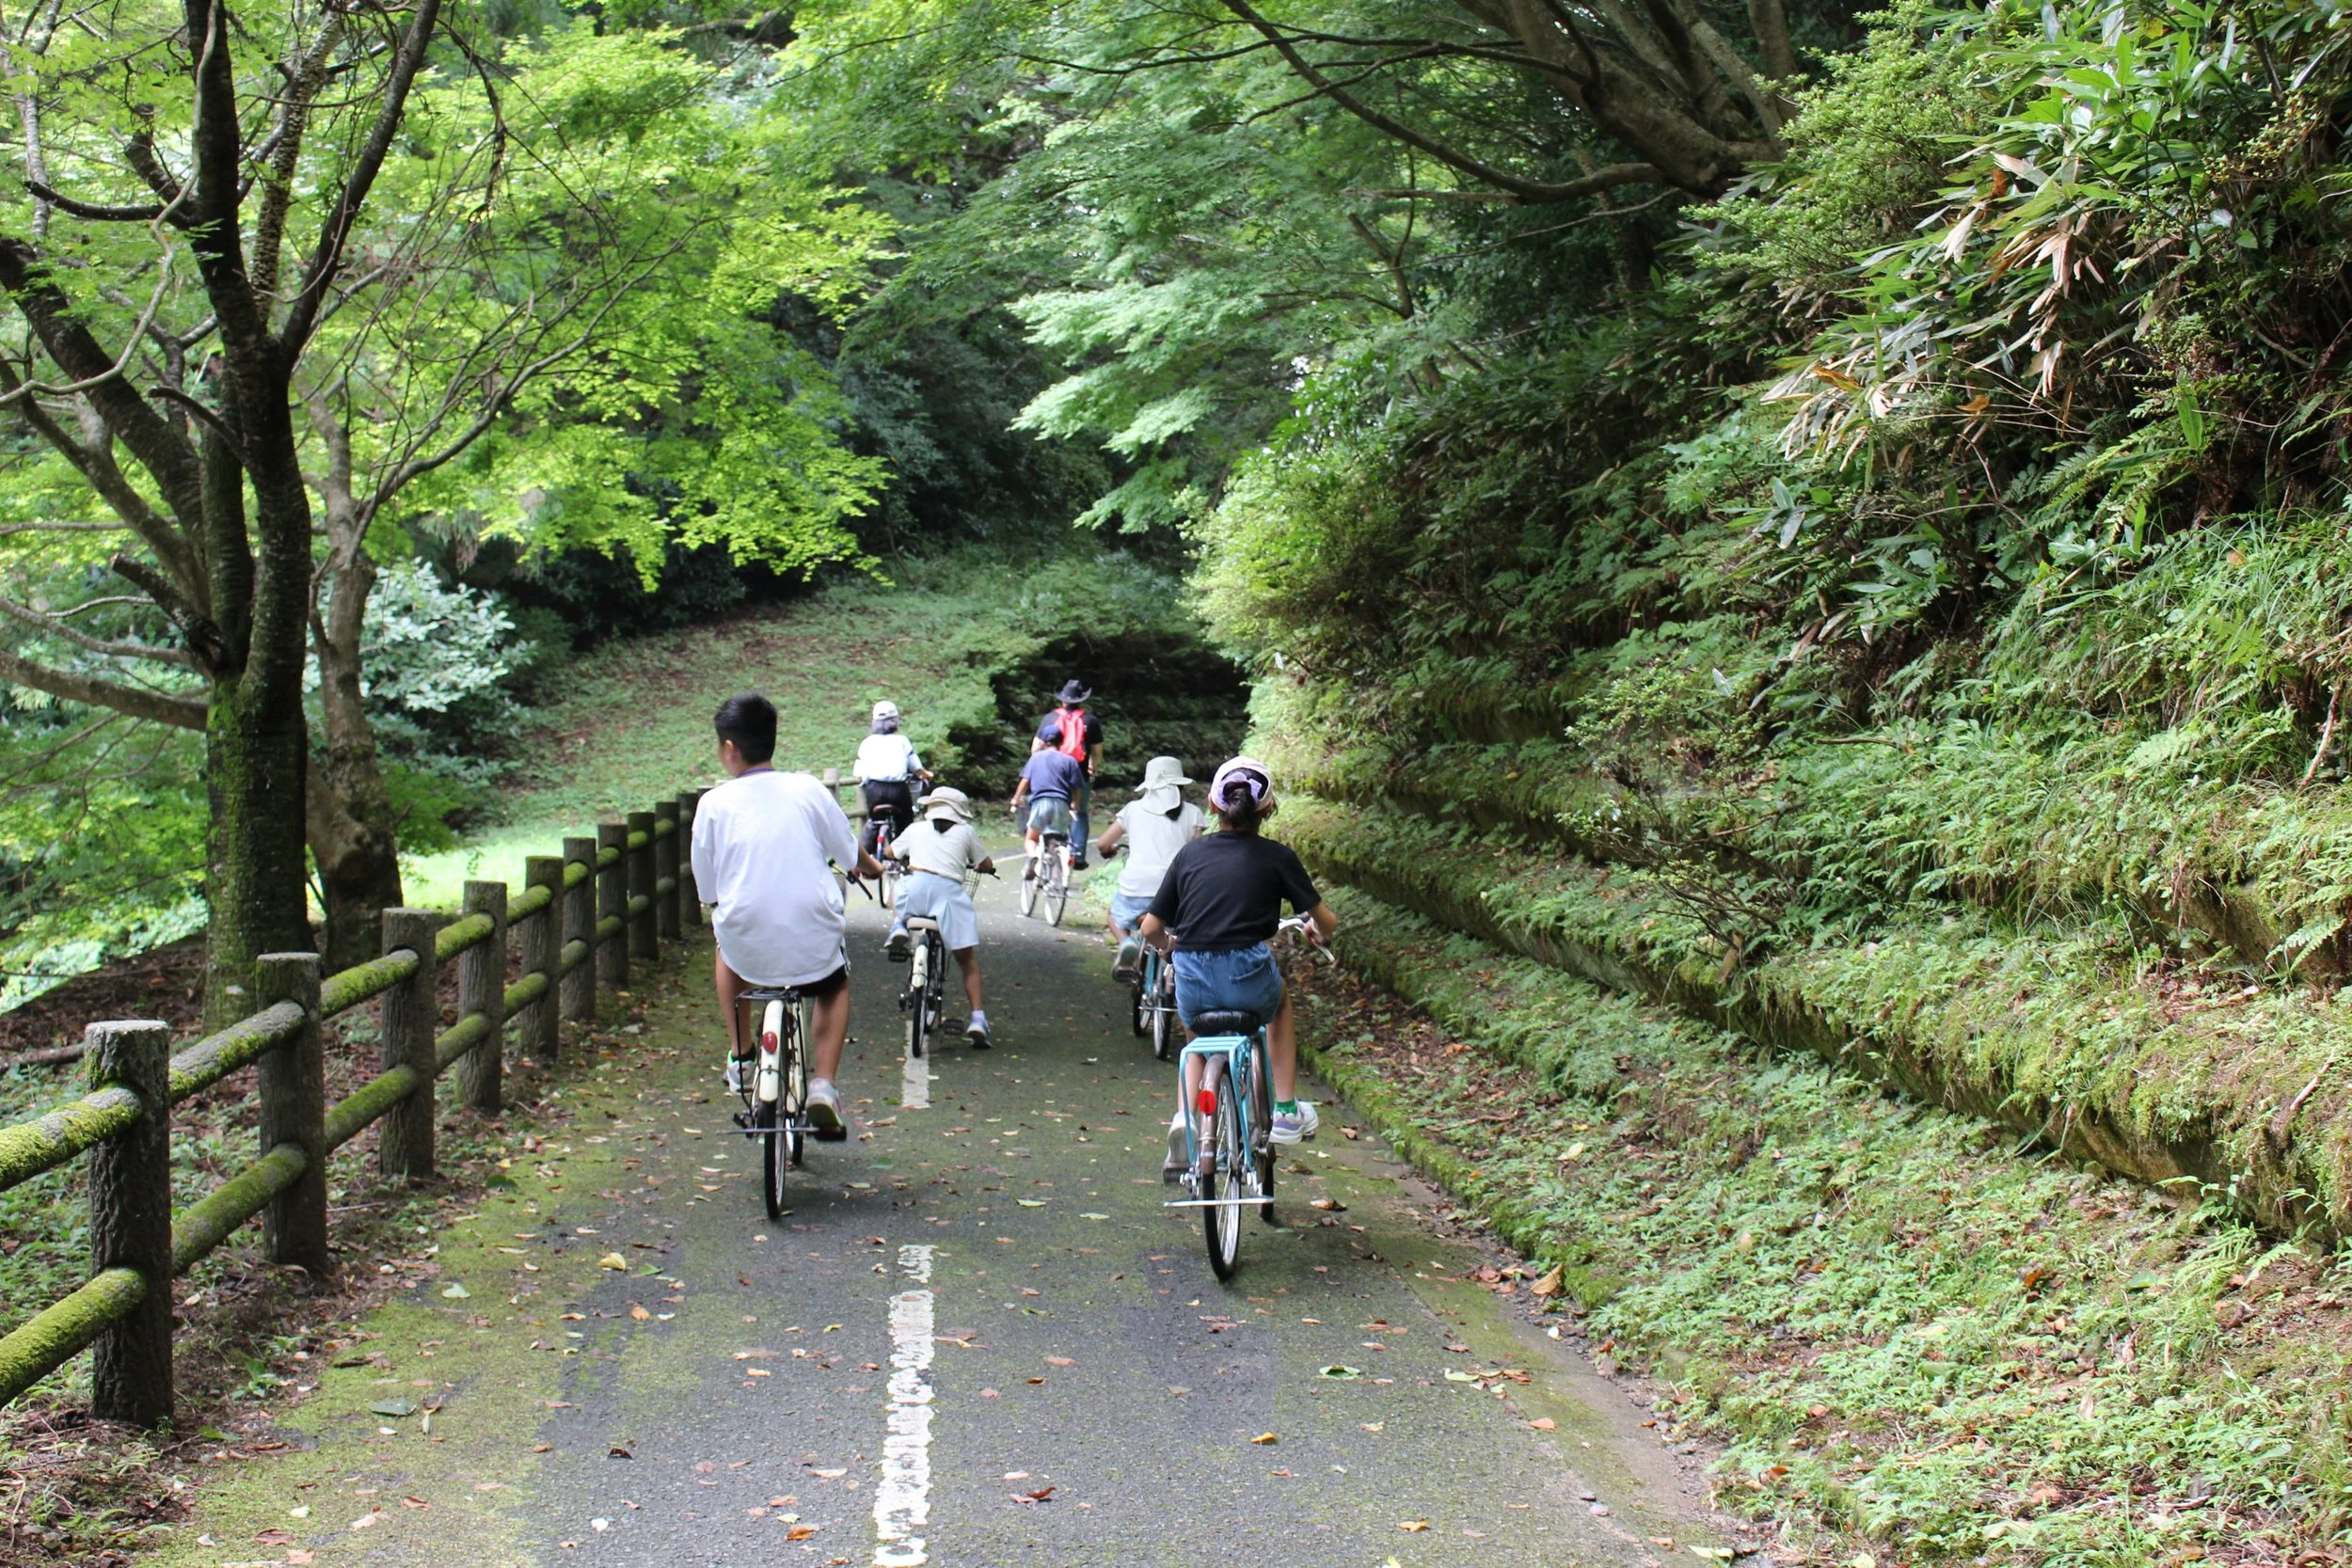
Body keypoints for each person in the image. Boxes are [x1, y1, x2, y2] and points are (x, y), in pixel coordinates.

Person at [691, 692, 882, 1139]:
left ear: (729, 749)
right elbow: (849, 854)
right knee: (834, 984)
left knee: (726, 945)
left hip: (747, 941)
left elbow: (708, 890)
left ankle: (741, 1057)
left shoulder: (713, 805)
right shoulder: (808, 789)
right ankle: (823, 1086)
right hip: (811, 934)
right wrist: (871, 867)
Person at [1138, 755, 1337, 1174]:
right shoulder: (1278, 857)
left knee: (1197, 1040)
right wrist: (1316, 930)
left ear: (1213, 807)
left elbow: (1150, 926)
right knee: (1279, 1004)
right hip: (1247, 968)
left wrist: (1168, 946)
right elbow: (1326, 920)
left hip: (1193, 971)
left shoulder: (1190, 855)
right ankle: (1284, 1110)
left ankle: (1184, 1120)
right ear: (1267, 809)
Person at [882, 786, 997, 1049]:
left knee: (898, 887)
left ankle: (899, 923)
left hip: (916, 891)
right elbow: (985, 863)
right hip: (949, 897)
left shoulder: (915, 830)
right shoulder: (966, 832)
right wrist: (983, 866)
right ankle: (978, 1019)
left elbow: (890, 853)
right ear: (959, 813)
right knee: (967, 960)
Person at [1095, 755, 1201, 982]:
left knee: (1115, 915)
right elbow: (1197, 855)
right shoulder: (1193, 813)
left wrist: (1108, 851)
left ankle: (1126, 944)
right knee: (1175, 933)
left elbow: (1103, 843)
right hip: (1176, 892)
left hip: (1137, 888)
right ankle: (1174, 974)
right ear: (1179, 784)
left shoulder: (1132, 809)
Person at [1031, 681, 1104, 866]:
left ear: (1062, 700)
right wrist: (1092, 768)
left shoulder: (1050, 718)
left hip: (1051, 774)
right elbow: (1096, 752)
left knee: (1050, 806)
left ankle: (1050, 848)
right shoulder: (1090, 721)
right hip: (1078, 773)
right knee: (1079, 813)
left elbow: (1035, 748)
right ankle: (1077, 856)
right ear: (1081, 700)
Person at [853, 700, 930, 861]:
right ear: (895, 721)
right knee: (905, 820)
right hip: (898, 790)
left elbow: (858, 771)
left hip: (874, 790)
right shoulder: (902, 741)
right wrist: (926, 774)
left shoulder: (867, 743)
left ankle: (863, 860)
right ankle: (905, 856)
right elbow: (916, 767)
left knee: (874, 821)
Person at [1009, 743, 1087, 879]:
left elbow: (1025, 781)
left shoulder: (1036, 758)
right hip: (1062, 804)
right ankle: (1059, 874)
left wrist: (1016, 799)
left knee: (1031, 838)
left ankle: (1033, 856)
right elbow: (1076, 787)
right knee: (1059, 839)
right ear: (1061, 741)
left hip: (1040, 803)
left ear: (1044, 742)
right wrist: (1076, 804)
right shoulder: (1069, 760)